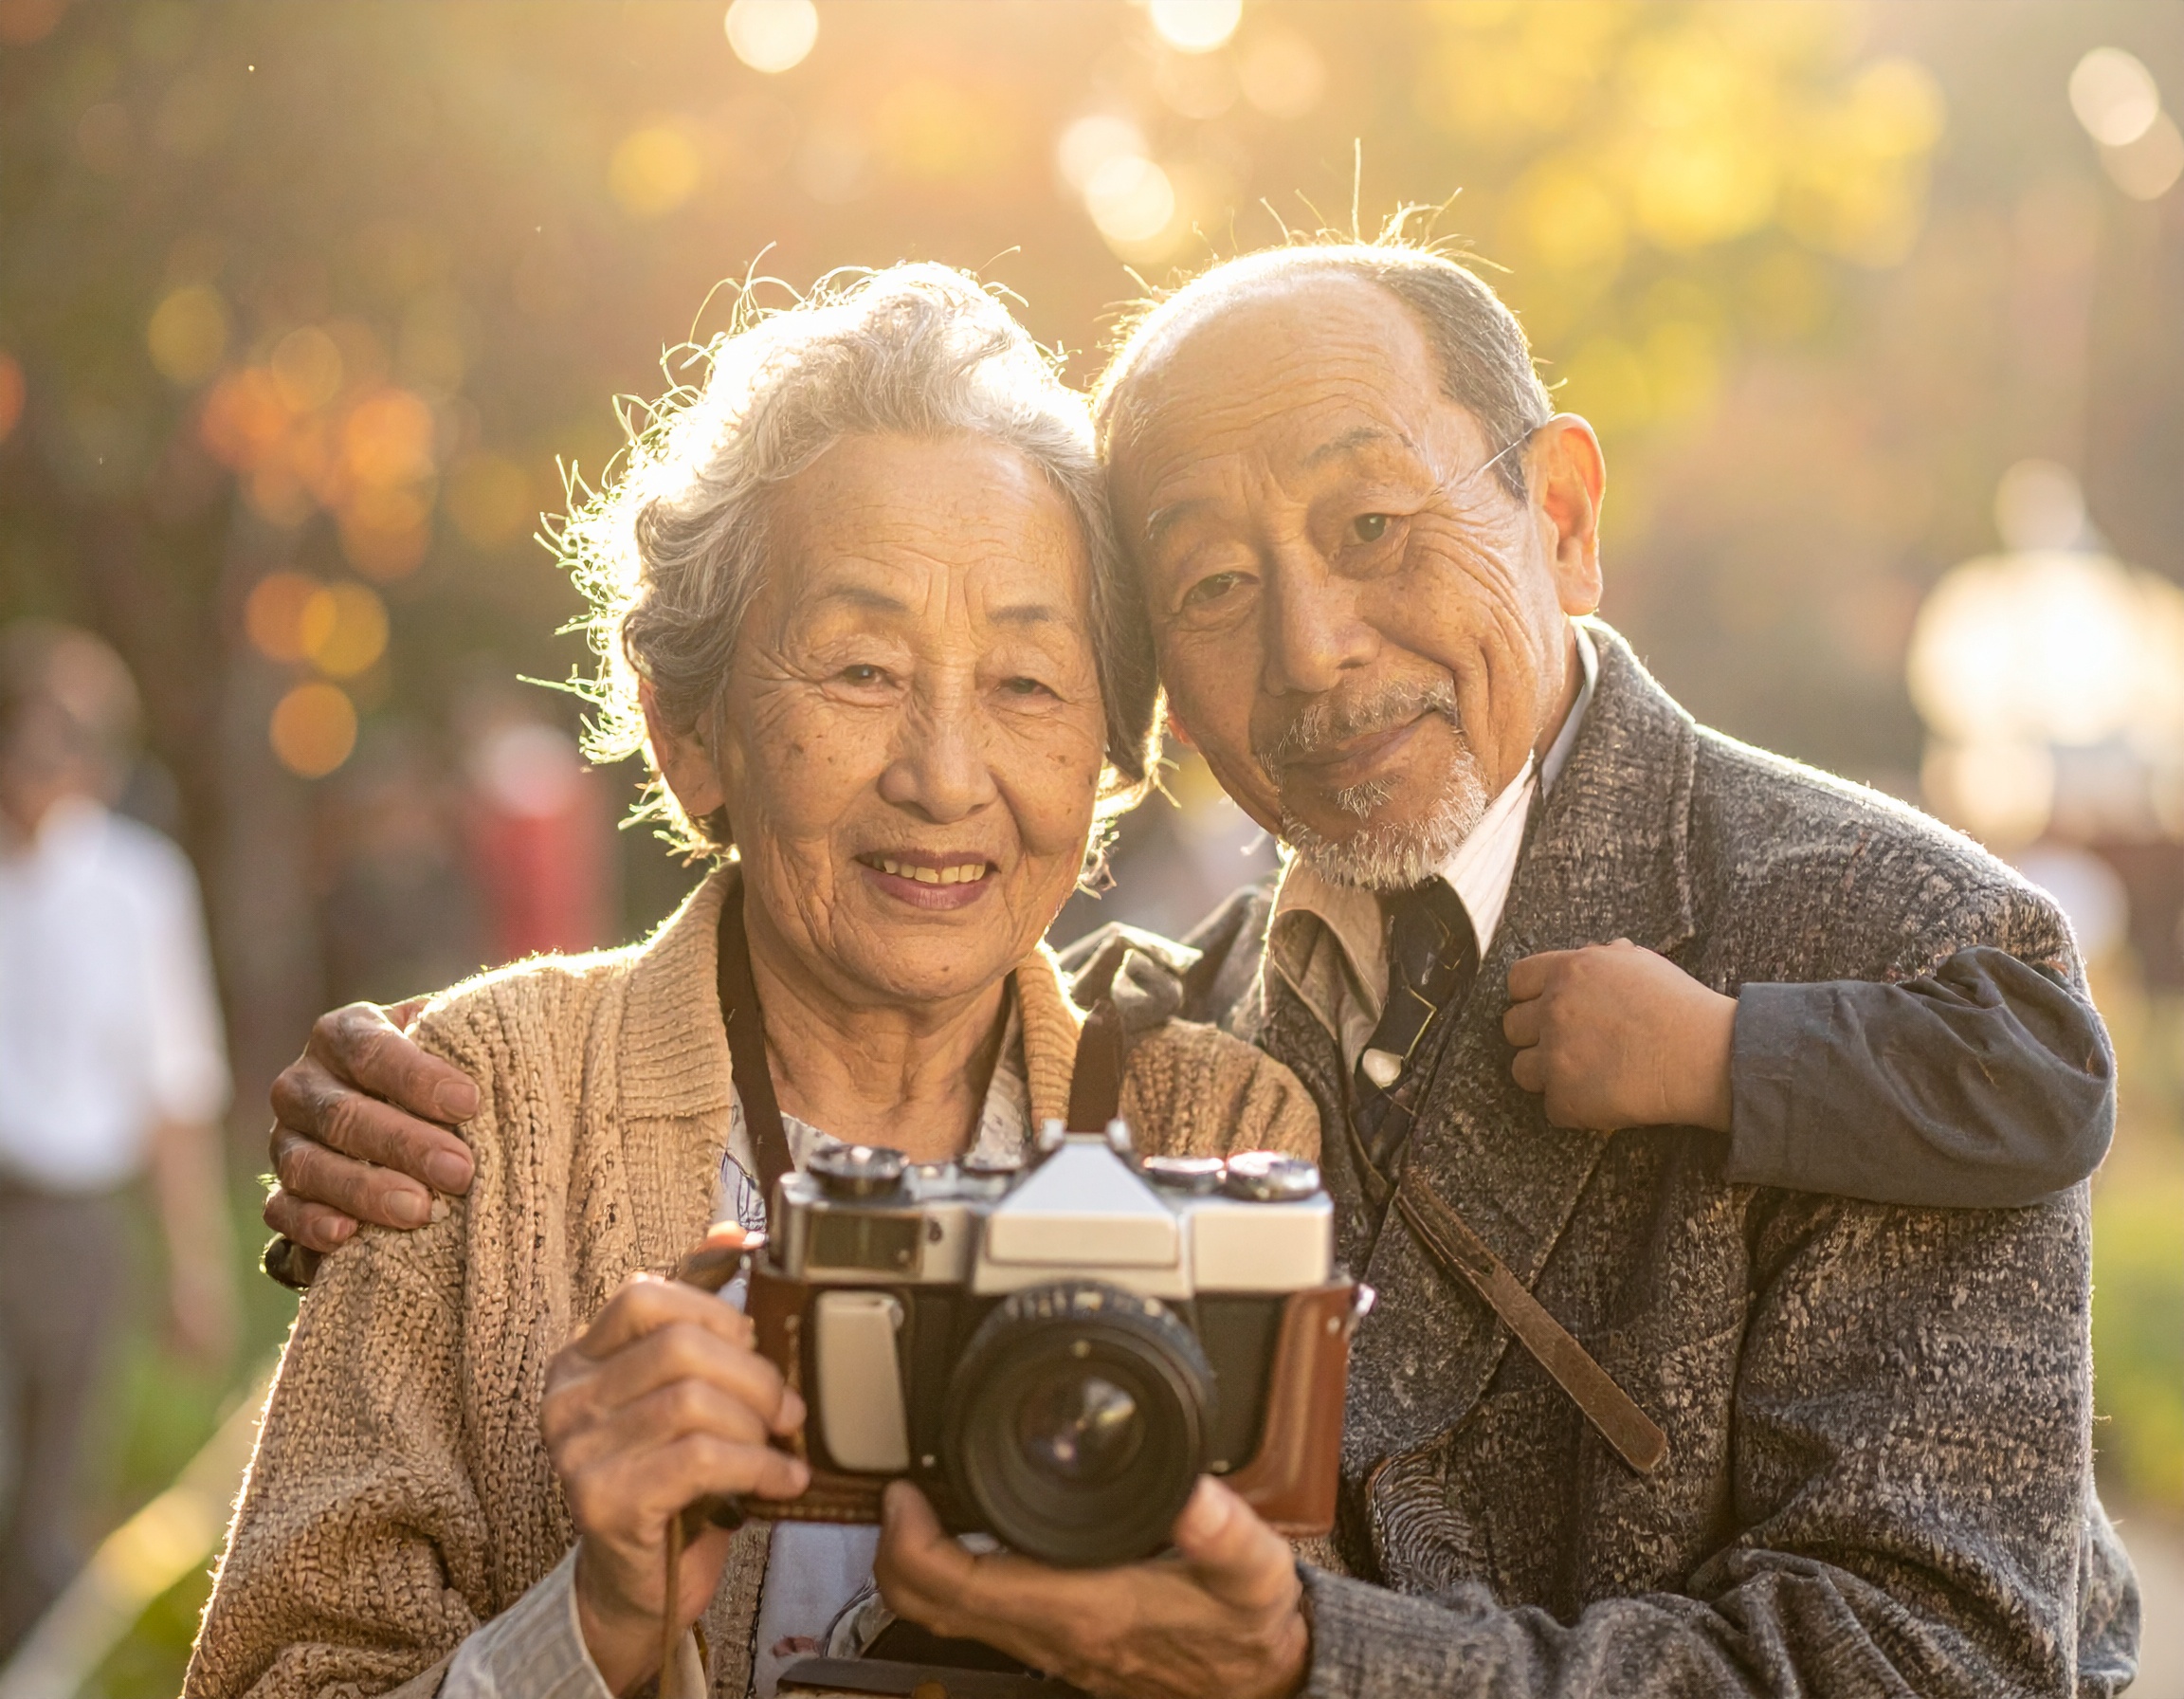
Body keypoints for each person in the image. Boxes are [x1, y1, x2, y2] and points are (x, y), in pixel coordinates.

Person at [251, 244, 2135, 1698]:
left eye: (1376, 525)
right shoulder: (1193, 1037)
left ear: (1561, 515)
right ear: (690, 734)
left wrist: (1311, 1660)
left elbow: (1936, 1662)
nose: (1313, 650)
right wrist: (574, 1615)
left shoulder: (1884, 956)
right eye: (1215, 587)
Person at [183, 267, 1320, 1699]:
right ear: (688, 733)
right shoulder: (478, 1111)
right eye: (858, 669)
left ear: (1108, 763)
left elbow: (1313, 1638)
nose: (946, 773)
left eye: (1029, 685)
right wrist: (587, 1625)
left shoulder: (1230, 1129)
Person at [0, 621, 238, 1653]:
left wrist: (195, 1264)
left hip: (79, 1227)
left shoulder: (139, 888)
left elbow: (172, 1089)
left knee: (50, 1505)